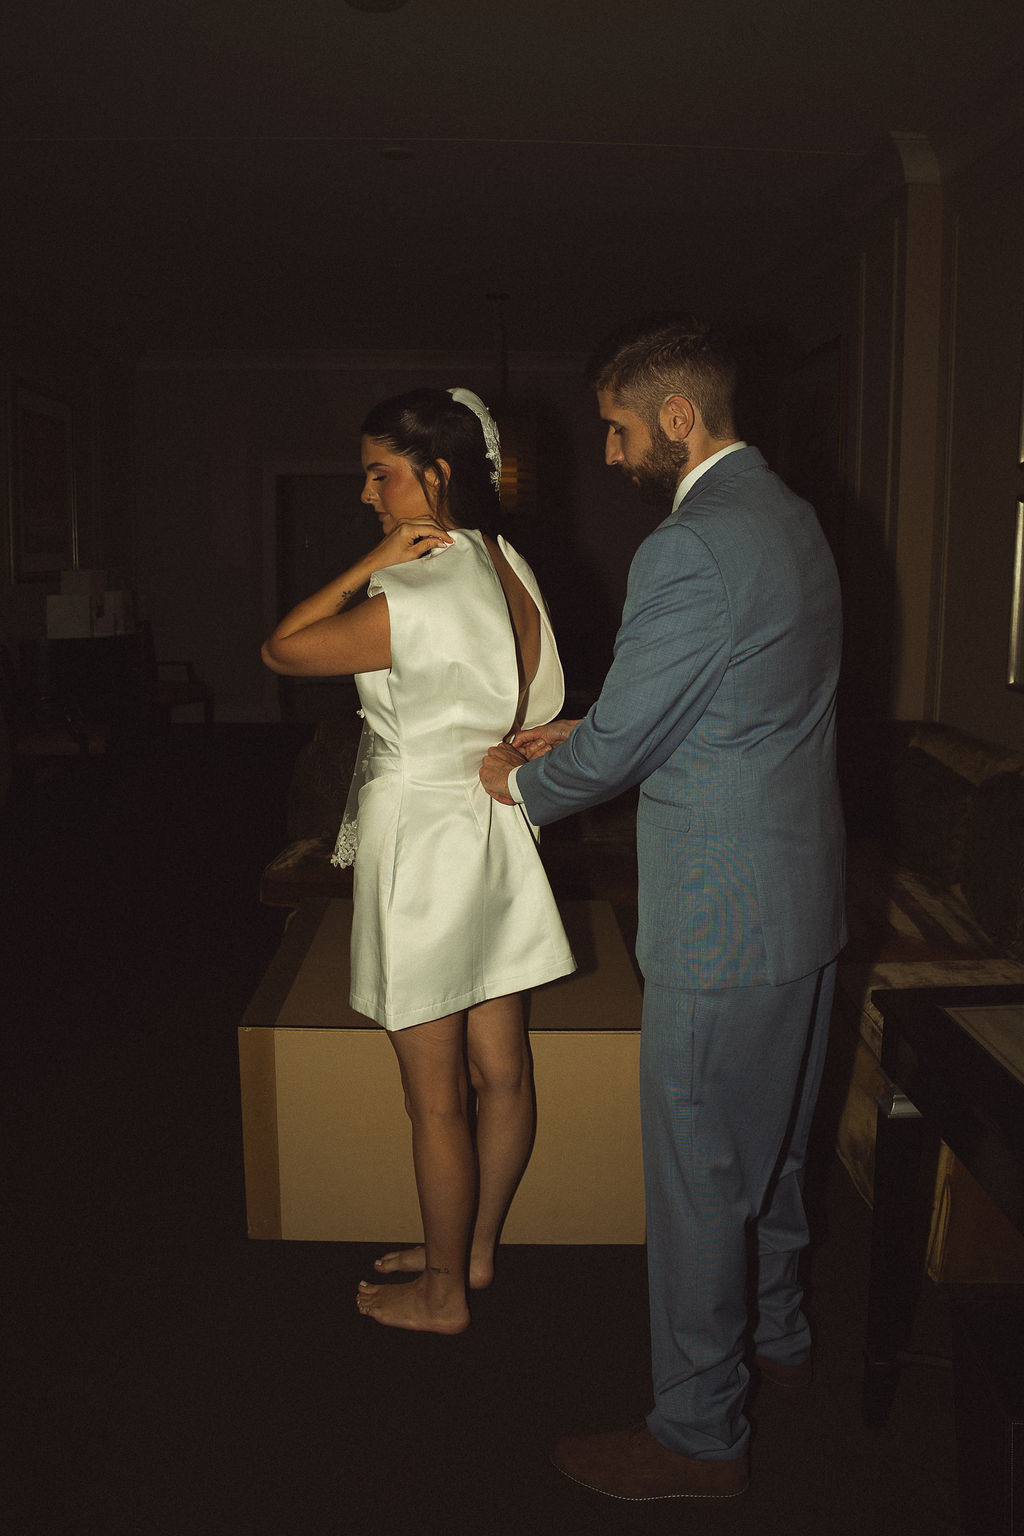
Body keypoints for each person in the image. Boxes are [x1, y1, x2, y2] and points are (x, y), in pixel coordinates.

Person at [481, 315, 846, 1500]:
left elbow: (632, 743)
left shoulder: (688, 543)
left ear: (677, 417)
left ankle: (698, 1435)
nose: (609, 451)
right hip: (800, 899)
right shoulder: (791, 519)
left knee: (698, 1175)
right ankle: (780, 1340)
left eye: (618, 427)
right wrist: (594, 724)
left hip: (719, 915)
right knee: (773, 1152)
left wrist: (523, 783)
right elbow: (736, 697)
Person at [263, 387, 575, 1335]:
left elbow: (282, 650)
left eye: (381, 474)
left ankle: (442, 1296)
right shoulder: (506, 561)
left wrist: (371, 565)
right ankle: (468, 1253)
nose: (367, 494)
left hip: (426, 847)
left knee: (434, 1098)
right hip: (497, 829)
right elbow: (534, 699)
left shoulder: (412, 589)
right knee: (502, 1071)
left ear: (436, 473)